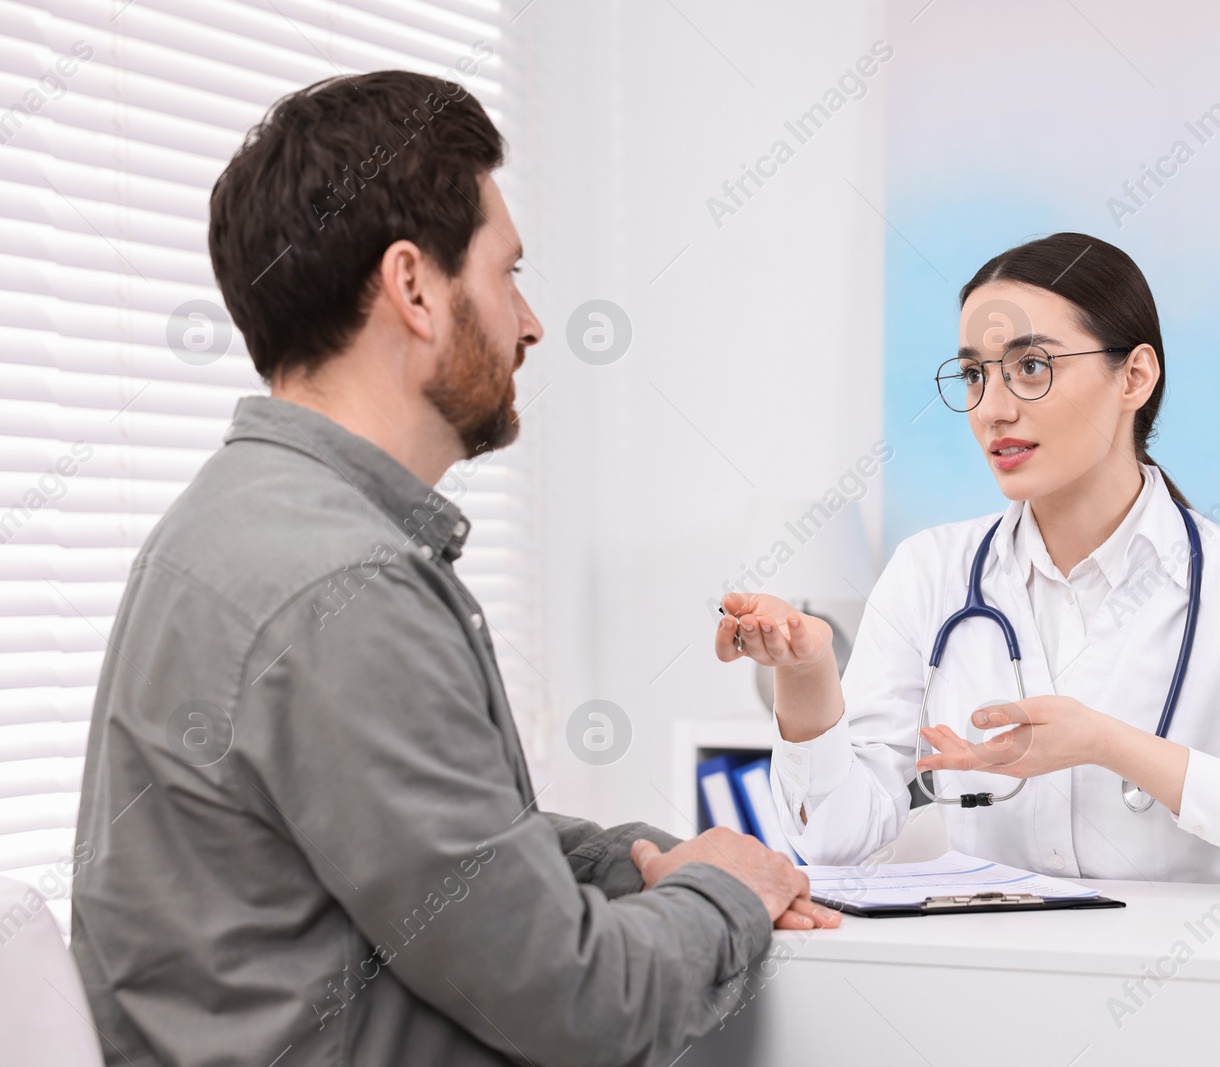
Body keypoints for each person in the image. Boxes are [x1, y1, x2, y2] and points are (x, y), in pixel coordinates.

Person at [70, 70, 835, 1067]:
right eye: (507, 273)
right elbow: (580, 1005)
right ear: (416, 288)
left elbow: (419, 848)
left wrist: (627, 860)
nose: (529, 323)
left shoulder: (240, 524)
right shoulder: (341, 586)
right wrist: (727, 887)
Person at [715, 233, 1220, 896]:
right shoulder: (930, 572)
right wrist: (806, 680)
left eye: (1032, 367)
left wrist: (1108, 744)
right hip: (993, 985)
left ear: (1134, 375)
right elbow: (835, 842)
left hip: (1191, 994)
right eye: (976, 375)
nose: (993, 409)